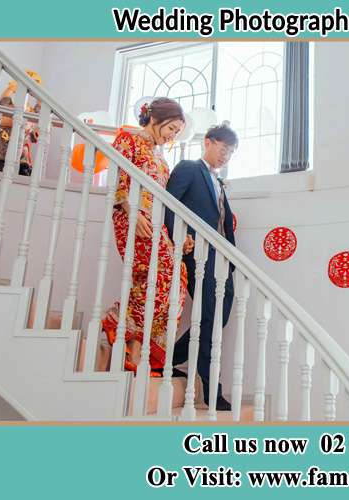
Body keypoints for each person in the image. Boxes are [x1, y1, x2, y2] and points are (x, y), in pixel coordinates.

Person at [101, 97, 192, 376]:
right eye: (171, 129)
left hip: (155, 224)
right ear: (155, 119)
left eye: (177, 132)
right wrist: (131, 210)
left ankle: (138, 346)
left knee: (172, 280)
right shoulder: (128, 139)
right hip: (132, 218)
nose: (172, 136)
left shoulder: (160, 156)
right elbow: (116, 177)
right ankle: (121, 328)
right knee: (158, 276)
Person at [165, 123, 238, 411]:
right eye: (223, 149)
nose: (226, 156)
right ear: (208, 142)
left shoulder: (218, 182)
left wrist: (231, 260)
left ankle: (170, 357)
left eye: (231, 153)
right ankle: (212, 390)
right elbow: (169, 204)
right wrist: (180, 238)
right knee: (209, 318)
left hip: (222, 262)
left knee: (214, 321)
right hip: (198, 257)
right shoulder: (189, 168)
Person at [0, 70, 43, 176]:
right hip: (1, 155)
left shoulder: (30, 113)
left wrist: (38, 92)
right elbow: (2, 103)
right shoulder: (7, 107)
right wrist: (13, 85)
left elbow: (40, 113)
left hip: (22, 160)